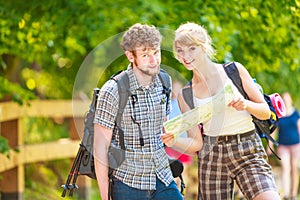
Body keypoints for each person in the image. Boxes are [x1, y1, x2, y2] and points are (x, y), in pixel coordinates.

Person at [162, 22, 281, 200]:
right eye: (180, 50)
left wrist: (246, 105)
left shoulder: (234, 70)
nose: (185, 56)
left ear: (203, 47)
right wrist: (174, 141)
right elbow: (197, 144)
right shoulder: (185, 94)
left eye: (192, 48)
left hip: (247, 148)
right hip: (212, 156)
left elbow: (265, 112)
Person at [93, 23, 183, 200]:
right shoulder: (112, 90)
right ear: (130, 56)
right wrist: (105, 197)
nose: (153, 60)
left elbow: (163, 131)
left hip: (162, 178)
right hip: (127, 183)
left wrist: (172, 136)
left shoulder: (165, 81)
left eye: (156, 52)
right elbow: (100, 148)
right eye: (145, 54)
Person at [269, 92, 300, 200]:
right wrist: (270, 144)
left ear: (290, 100)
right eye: (284, 99)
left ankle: (293, 194)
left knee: (294, 168)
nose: (286, 100)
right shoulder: (279, 115)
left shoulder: (296, 114)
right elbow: (274, 131)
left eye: (287, 98)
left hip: (296, 145)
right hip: (283, 145)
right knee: (285, 167)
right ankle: (286, 194)